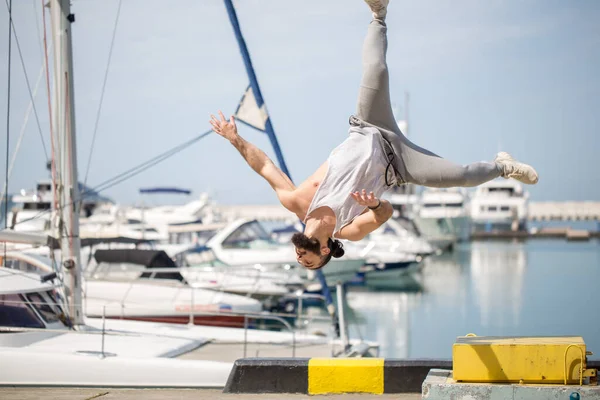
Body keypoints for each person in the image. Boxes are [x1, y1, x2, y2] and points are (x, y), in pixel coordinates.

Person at [209, 0, 538, 271]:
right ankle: (503, 166)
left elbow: (265, 166)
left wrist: (234, 139)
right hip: (399, 165)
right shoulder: (348, 231)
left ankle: (378, 14)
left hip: (368, 126)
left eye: (299, 259)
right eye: (308, 263)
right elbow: (385, 215)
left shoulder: (297, 201)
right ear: (325, 251)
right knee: (462, 176)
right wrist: (377, 203)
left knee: (376, 71)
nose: (300, 259)